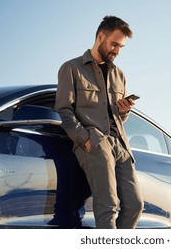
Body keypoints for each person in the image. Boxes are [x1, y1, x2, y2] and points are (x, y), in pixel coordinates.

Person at [55, 15, 144, 229]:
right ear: (100, 37)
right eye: (114, 44)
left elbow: (117, 116)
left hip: (121, 144)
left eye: (121, 46)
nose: (117, 50)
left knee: (135, 205)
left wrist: (123, 111)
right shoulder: (72, 68)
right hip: (95, 142)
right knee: (108, 206)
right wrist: (85, 139)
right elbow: (64, 110)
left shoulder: (119, 75)